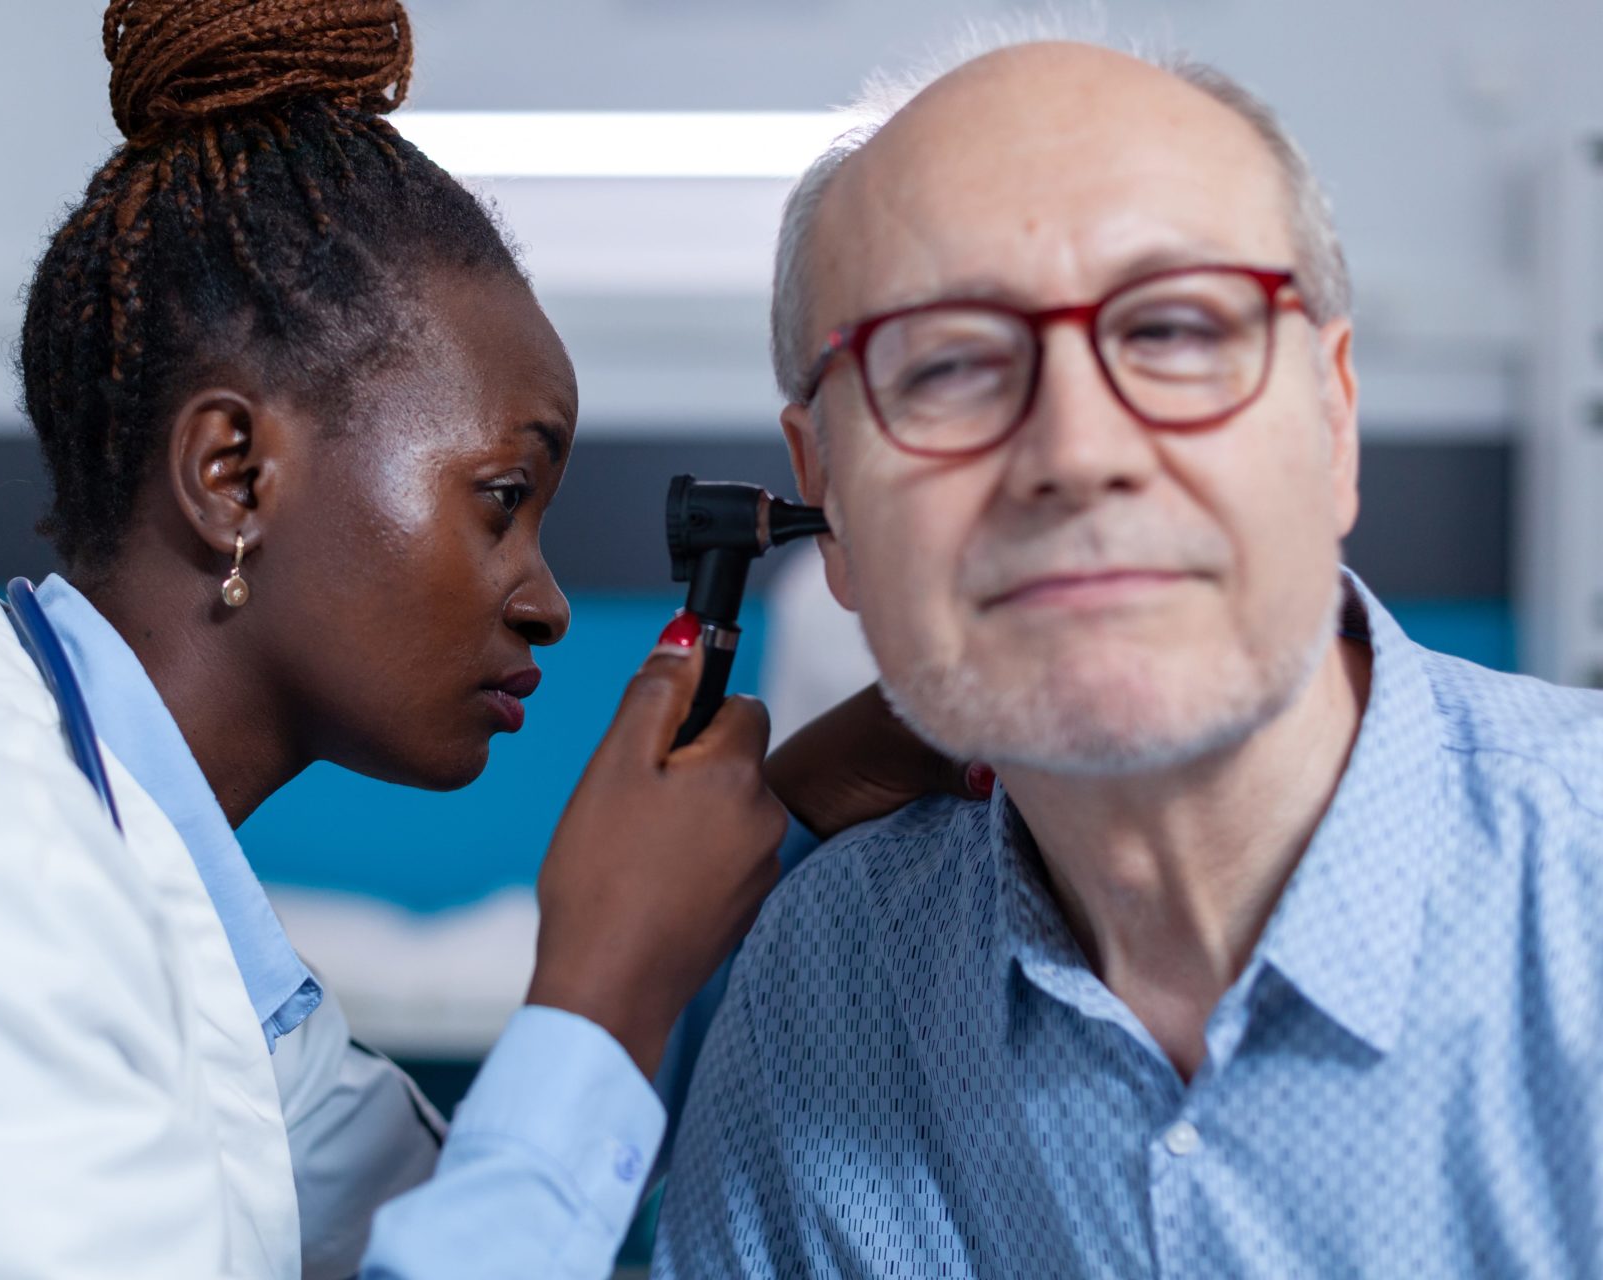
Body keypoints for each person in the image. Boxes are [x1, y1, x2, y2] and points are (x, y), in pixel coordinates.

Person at [0, 4, 955, 1277]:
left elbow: (447, 1215)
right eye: (503, 500)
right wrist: (603, 986)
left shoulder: (142, 885)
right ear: (234, 475)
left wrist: (769, 829)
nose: (546, 601)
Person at [655, 30, 1603, 1279]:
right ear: (824, 490)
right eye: (946, 366)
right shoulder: (824, 987)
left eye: (1172, 332)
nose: (1076, 451)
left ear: (1335, 423)